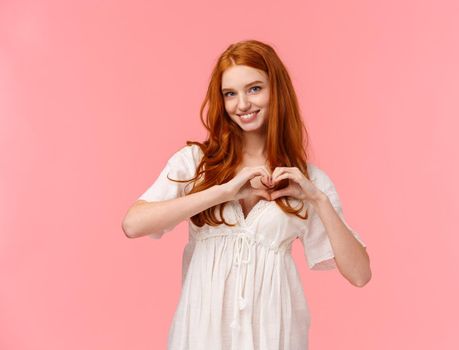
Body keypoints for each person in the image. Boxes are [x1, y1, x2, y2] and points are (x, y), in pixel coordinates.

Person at [121, 39, 371, 350]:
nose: (242, 104)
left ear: (276, 90)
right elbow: (133, 224)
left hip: (275, 335)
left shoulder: (307, 180)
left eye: (254, 89)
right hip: (201, 334)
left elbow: (360, 274)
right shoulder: (196, 163)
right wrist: (222, 191)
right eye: (230, 94)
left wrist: (317, 199)